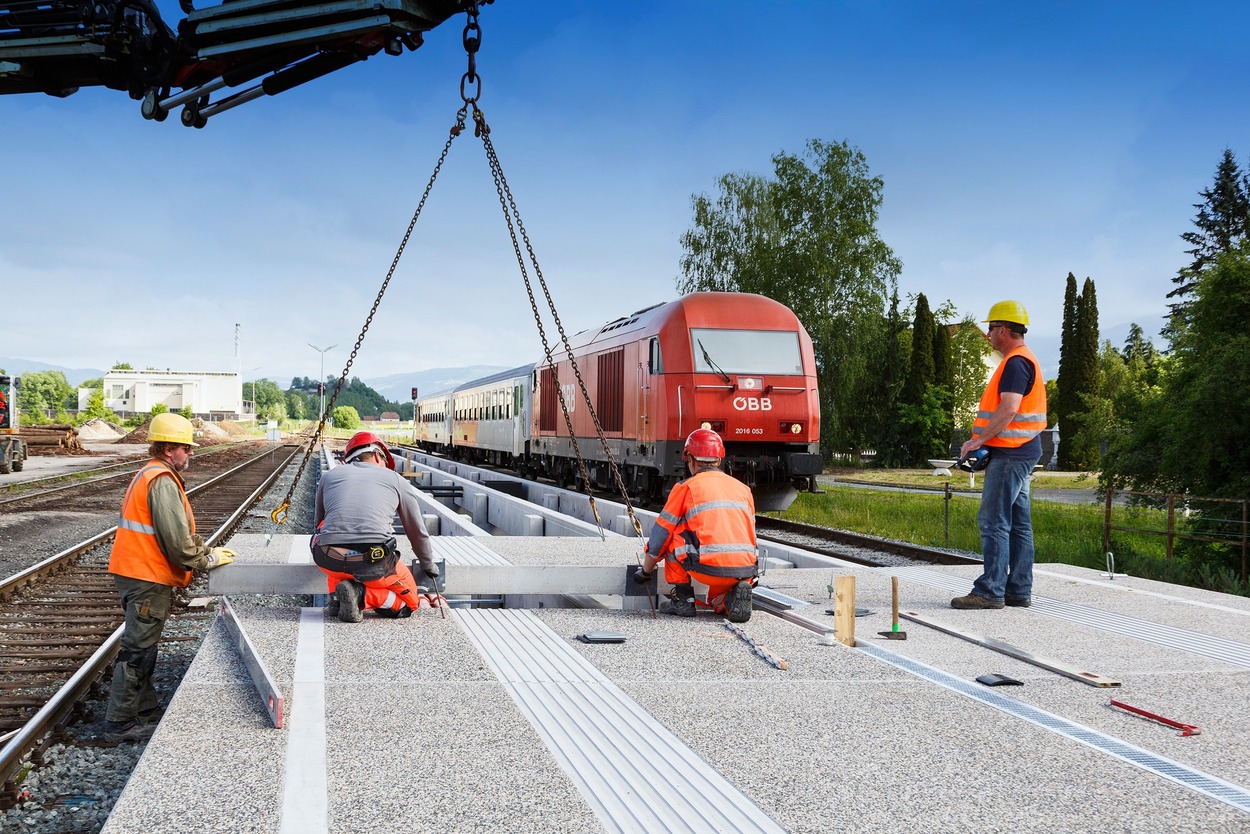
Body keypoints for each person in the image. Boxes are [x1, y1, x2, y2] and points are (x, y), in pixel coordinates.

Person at [105, 412, 236, 743]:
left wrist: (205, 548)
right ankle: (120, 722)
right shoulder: (161, 481)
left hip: (139, 571)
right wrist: (206, 560)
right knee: (138, 647)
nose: (190, 453)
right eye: (186, 448)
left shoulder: (154, 474)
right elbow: (176, 542)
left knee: (146, 644)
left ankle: (145, 709)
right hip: (145, 574)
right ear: (168, 450)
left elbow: (177, 534)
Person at [951, 300, 1048, 610]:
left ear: (1003, 330)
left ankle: (990, 590)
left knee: (993, 521)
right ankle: (1018, 590)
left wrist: (976, 441)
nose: (989, 334)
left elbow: (1008, 410)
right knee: (1019, 523)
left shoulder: (1016, 363)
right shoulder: (1023, 359)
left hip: (1011, 454)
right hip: (1023, 451)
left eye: (991, 328)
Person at [632, 427, 758, 622]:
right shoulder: (743, 489)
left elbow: (660, 535)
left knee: (674, 533)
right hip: (744, 571)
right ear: (719, 459)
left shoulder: (685, 487)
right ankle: (728, 599)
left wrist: (645, 571)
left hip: (706, 570)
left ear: (690, 460)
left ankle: (683, 599)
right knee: (717, 599)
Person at [312, 431, 438, 623]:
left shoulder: (330, 476)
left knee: (330, 537)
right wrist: (428, 566)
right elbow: (417, 533)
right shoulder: (395, 479)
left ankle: (336, 598)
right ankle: (361, 595)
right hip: (374, 562)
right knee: (410, 603)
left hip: (327, 558)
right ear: (379, 455)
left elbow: (319, 523)